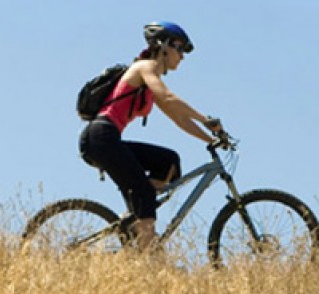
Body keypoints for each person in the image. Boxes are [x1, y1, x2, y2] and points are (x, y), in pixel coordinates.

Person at [79, 22, 222, 250]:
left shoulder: (149, 84)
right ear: (163, 45)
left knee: (168, 161)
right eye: (180, 49)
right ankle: (147, 255)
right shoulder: (144, 67)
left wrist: (211, 140)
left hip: (107, 138)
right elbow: (169, 97)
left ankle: (134, 218)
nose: (182, 56)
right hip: (100, 136)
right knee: (144, 191)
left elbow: (178, 117)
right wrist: (207, 120)